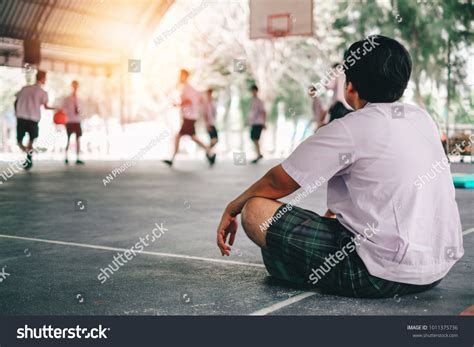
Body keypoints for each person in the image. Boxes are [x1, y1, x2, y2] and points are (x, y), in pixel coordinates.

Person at [216, 35, 463, 298]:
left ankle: (303, 269)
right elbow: (381, 180)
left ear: (350, 86)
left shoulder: (350, 128)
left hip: (375, 275)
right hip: (434, 271)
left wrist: (233, 206)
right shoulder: (420, 118)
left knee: (256, 210)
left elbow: (279, 181)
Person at [163, 69, 215, 167]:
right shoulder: (188, 88)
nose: (179, 78)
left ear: (185, 76)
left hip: (189, 118)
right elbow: (198, 99)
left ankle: (172, 159)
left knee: (181, 137)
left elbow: (189, 101)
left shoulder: (188, 88)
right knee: (191, 137)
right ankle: (209, 152)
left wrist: (178, 105)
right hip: (190, 117)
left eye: (181, 75)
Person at [14, 70, 56, 170]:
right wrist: (57, 108)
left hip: (22, 117)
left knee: (19, 141)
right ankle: (29, 155)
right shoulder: (43, 92)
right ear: (43, 79)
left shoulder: (24, 89)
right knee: (31, 141)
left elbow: (16, 101)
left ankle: (28, 157)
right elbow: (45, 107)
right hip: (33, 118)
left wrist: (16, 112)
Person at [63, 80, 84, 165]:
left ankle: (78, 158)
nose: (75, 88)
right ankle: (66, 157)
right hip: (70, 121)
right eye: (74, 86)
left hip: (77, 121)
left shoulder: (79, 99)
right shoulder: (67, 99)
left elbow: (81, 111)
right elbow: (64, 110)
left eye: (76, 86)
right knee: (68, 139)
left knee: (78, 139)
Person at [248, 85, 266, 164]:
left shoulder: (259, 101)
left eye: (253, 91)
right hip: (254, 123)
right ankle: (259, 154)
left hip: (259, 123)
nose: (252, 93)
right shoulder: (253, 101)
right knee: (253, 138)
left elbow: (264, 112)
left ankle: (259, 154)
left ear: (256, 91)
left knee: (255, 138)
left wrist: (264, 123)